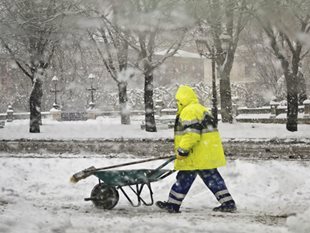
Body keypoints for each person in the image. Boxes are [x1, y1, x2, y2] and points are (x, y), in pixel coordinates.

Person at [156, 85, 236, 213]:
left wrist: (183, 149)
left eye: (178, 100)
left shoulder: (189, 111)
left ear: (183, 99)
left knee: (185, 177)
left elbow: (192, 134)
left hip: (196, 154)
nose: (177, 103)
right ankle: (228, 202)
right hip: (205, 153)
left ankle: (173, 204)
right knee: (210, 178)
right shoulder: (200, 109)